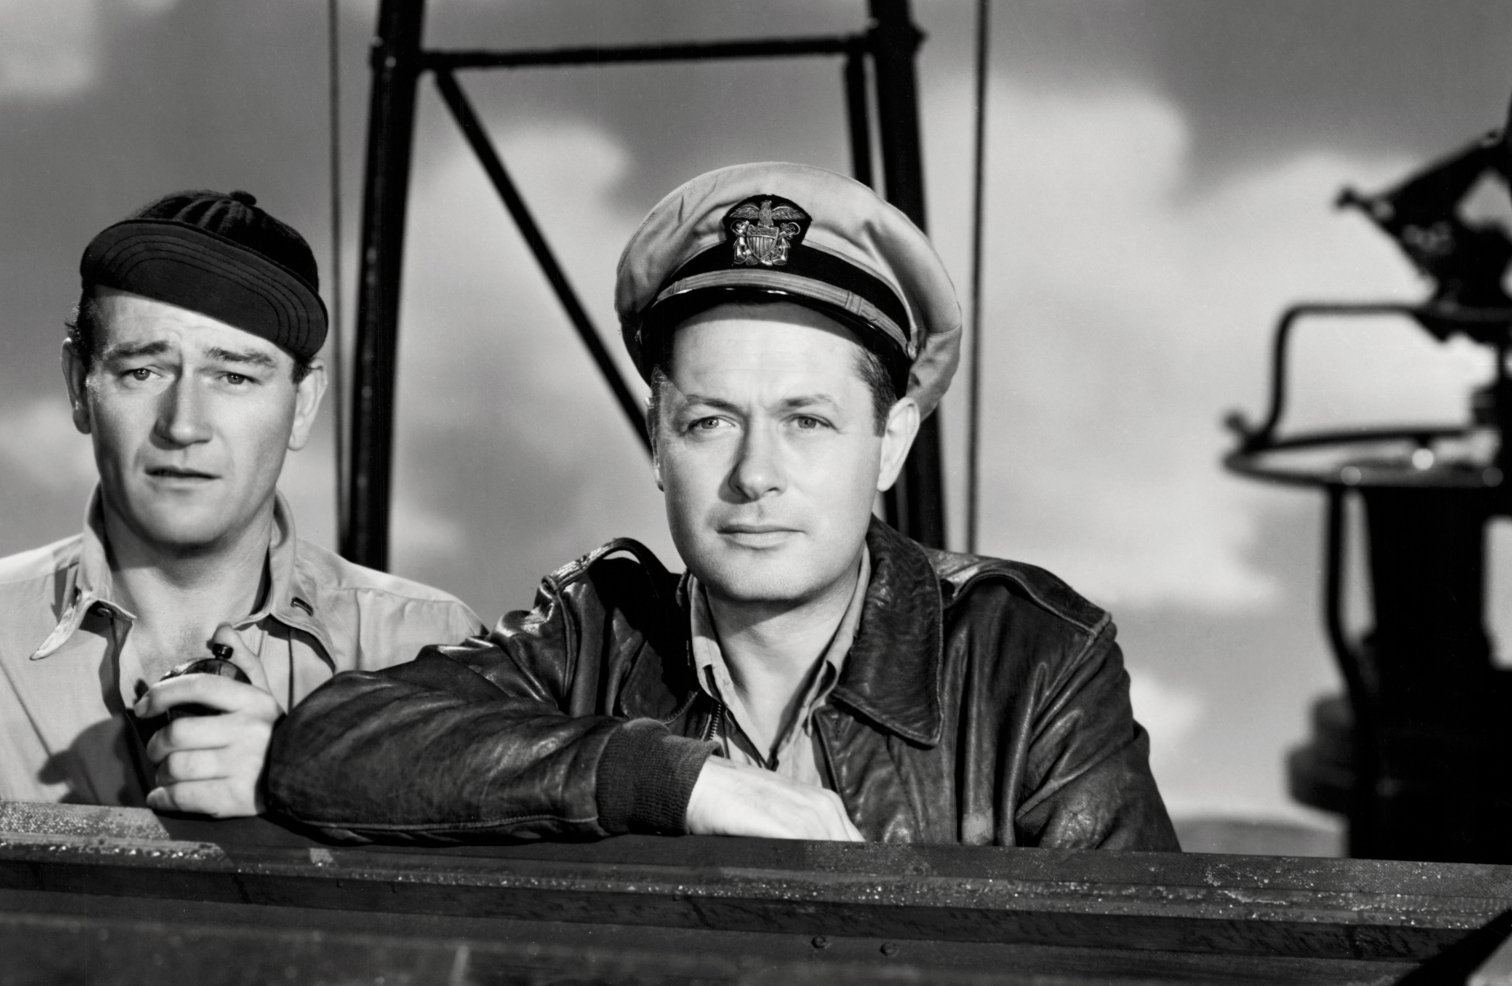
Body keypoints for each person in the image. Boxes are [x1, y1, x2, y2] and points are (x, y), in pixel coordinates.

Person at [266, 162, 1178, 849]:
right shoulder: (596, 634)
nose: (755, 474)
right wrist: (667, 781)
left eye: (807, 422)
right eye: (710, 422)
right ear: (657, 436)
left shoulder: (1030, 661)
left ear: (890, 441)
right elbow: (327, 746)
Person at [0, 189, 480, 837]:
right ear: (79, 388)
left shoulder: (428, 649)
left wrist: (309, 778)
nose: (184, 424)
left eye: (234, 376)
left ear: (301, 404)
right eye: (143, 371)